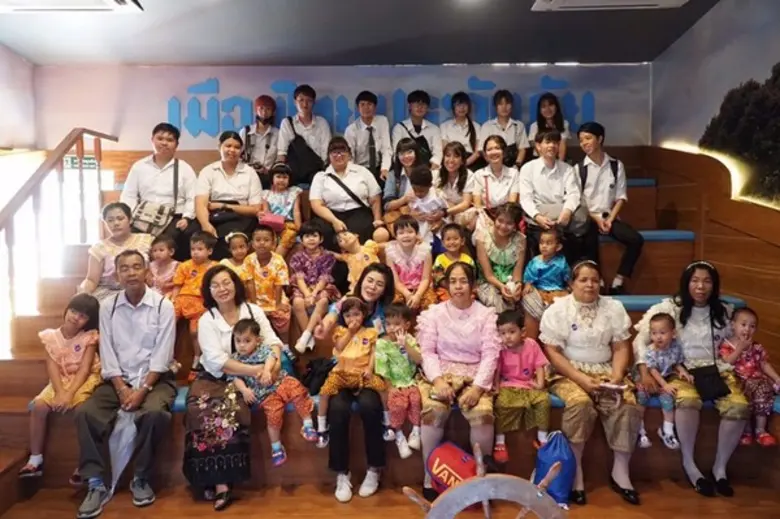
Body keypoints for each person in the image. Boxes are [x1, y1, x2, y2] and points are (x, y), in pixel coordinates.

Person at [633, 261, 749, 498]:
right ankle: (690, 464)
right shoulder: (670, 308)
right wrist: (644, 371)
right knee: (686, 401)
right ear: (686, 283)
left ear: (714, 285)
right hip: (681, 370)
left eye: (707, 281)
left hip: (717, 371)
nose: (700, 287)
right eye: (695, 280)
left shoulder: (724, 311)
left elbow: (738, 337)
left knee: (739, 406)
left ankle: (720, 468)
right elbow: (639, 341)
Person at [74, 250, 176, 518]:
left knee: (154, 413)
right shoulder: (107, 307)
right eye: (125, 268)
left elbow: (162, 355)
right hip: (117, 379)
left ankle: (141, 477)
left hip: (155, 379)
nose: (131, 273)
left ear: (147, 272)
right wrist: (121, 388)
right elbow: (107, 351)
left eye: (136, 267)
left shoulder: (163, 306)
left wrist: (142, 390)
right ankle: (95, 482)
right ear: (117, 275)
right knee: (86, 413)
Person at [540, 260, 641, 506]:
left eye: (595, 280)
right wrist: (581, 379)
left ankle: (621, 473)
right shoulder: (558, 309)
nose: (590, 285)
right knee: (579, 403)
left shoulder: (613, 307)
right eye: (583, 280)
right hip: (568, 371)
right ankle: (576, 475)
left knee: (626, 403)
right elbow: (552, 351)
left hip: (605, 369)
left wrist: (617, 376)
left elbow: (621, 346)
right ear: (571, 283)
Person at [184, 264, 283, 511]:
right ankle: (212, 480)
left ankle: (224, 482)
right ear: (208, 291)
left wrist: (270, 367)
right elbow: (216, 360)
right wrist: (254, 370)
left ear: (236, 284)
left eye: (226, 282)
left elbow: (273, 342)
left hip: (252, 377)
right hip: (216, 376)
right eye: (215, 285)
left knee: (234, 410)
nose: (222, 289)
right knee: (200, 410)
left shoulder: (253, 310)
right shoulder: (207, 319)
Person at [416, 261, 501, 502]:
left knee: (482, 414)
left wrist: (477, 388)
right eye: (453, 281)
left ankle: (481, 480)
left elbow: (490, 354)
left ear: (473, 286)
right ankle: (429, 476)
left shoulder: (485, 315)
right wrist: (438, 381)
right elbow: (427, 352)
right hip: (441, 373)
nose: (458, 286)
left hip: (475, 375)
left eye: (463, 281)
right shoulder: (434, 313)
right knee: (433, 410)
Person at [312, 263, 395, 502]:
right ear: (362, 280)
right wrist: (323, 326)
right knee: (338, 408)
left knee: (370, 405)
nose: (373, 287)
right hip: (343, 371)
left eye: (379, 284)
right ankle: (342, 473)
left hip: (369, 371)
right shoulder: (346, 303)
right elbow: (330, 319)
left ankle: (374, 469)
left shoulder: (383, 312)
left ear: (385, 289)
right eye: (370, 280)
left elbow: (384, 345)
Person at [18, 294, 101, 479]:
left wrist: (69, 394)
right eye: (73, 311)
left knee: (82, 409)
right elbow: (52, 368)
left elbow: (85, 369)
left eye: (82, 316)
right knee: (39, 406)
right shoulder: (51, 337)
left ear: (89, 320)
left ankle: (84, 462)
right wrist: (60, 392)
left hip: (84, 379)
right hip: (60, 380)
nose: (75, 317)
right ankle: (35, 459)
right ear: (67, 310)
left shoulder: (89, 337)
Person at [228, 318, 316, 467]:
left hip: (280, 382)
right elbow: (235, 377)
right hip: (265, 394)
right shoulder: (236, 359)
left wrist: (267, 370)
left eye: (247, 341)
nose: (242, 345)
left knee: (297, 390)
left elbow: (272, 357)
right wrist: (244, 390)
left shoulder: (263, 349)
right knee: (273, 416)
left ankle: (307, 424)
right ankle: (276, 447)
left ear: (258, 340)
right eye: (238, 341)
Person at [578, 121, 644, 295]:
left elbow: (621, 196)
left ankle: (618, 281)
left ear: (599, 139)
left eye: (588, 138)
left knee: (636, 239)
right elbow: (578, 201)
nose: (584, 143)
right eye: (581, 140)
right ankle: (597, 282)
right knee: (588, 237)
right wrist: (596, 218)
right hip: (589, 216)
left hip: (610, 216)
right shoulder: (579, 169)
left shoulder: (616, 165)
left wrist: (610, 219)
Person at [317, 297, 389, 449]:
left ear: (364, 314)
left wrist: (369, 368)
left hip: (362, 374)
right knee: (324, 393)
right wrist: (350, 332)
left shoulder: (370, 332)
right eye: (348, 315)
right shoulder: (341, 331)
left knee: (382, 388)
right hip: (341, 374)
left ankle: (387, 421)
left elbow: (374, 353)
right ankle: (322, 427)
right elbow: (340, 347)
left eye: (356, 314)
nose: (352, 318)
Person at [120, 122, 198, 261]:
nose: (164, 143)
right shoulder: (139, 167)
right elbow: (129, 195)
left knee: (181, 236)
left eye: (170, 140)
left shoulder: (184, 168)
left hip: (174, 217)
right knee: (133, 244)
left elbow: (192, 197)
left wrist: (187, 217)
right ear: (152, 140)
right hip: (143, 217)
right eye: (160, 138)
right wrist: (129, 217)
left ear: (176, 144)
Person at [309, 136, 388, 251]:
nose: (339, 155)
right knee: (323, 231)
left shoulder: (362, 172)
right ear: (329, 155)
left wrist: (378, 222)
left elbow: (375, 199)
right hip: (330, 214)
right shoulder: (320, 176)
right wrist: (334, 221)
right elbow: (316, 204)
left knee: (362, 229)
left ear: (349, 154)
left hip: (358, 213)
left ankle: (360, 261)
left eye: (342, 151)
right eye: (334, 152)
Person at [519, 130, 586, 265]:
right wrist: (537, 216)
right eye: (548, 142)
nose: (552, 146)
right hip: (539, 215)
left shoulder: (567, 169)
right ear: (538, 146)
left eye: (555, 142)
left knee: (582, 222)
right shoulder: (528, 168)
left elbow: (573, 194)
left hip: (563, 216)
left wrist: (567, 211)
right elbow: (525, 198)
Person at [492, 309, 550, 464]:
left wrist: (540, 383)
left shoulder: (532, 345)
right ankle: (500, 442)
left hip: (528, 383)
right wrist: (496, 386)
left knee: (543, 400)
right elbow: (497, 369)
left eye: (512, 332)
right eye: (502, 333)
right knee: (501, 404)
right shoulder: (500, 348)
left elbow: (539, 365)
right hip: (508, 384)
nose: (507, 337)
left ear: (523, 332)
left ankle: (543, 438)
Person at [195, 131, 263, 260]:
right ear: (219, 146)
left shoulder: (250, 173)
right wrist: (205, 225)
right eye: (228, 146)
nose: (232, 150)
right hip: (215, 216)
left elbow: (255, 209)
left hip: (242, 216)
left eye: (237, 147)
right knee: (198, 233)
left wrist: (223, 205)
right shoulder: (208, 171)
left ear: (241, 150)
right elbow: (200, 203)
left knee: (230, 236)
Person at [719, 307, 780, 446]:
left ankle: (761, 431)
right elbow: (727, 362)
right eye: (743, 324)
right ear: (733, 325)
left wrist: (777, 378)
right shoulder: (726, 345)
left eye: (752, 326)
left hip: (757, 381)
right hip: (738, 381)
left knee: (763, 393)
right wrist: (740, 348)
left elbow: (764, 364)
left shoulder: (756, 346)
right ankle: (746, 431)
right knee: (743, 400)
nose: (747, 329)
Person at [633, 313, 691, 450]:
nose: (658, 337)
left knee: (668, 399)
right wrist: (665, 385)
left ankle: (667, 431)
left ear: (673, 333)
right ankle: (639, 430)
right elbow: (652, 371)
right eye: (654, 333)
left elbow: (676, 363)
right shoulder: (650, 351)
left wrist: (683, 371)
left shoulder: (675, 347)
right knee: (641, 397)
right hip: (649, 380)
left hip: (664, 379)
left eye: (662, 333)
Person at [374, 304, 423, 459]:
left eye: (397, 324)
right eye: (388, 324)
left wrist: (405, 345)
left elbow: (418, 359)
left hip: (410, 380)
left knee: (416, 399)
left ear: (406, 325)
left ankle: (416, 431)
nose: (392, 328)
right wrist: (390, 387)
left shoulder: (410, 339)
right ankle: (399, 435)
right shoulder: (382, 343)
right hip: (394, 383)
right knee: (398, 405)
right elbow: (382, 368)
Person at [79, 202, 154, 302]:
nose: (116, 223)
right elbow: (91, 280)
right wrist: (82, 295)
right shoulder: (99, 248)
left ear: (130, 220)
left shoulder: (147, 240)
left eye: (120, 218)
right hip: (109, 294)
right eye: (110, 220)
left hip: (142, 291)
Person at [289, 221, 341, 353]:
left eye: (314, 235)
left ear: (321, 238)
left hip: (321, 287)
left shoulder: (328, 256)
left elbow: (324, 277)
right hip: (303, 287)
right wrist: (307, 294)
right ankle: (308, 338)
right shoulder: (297, 257)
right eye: (307, 236)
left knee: (323, 301)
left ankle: (305, 335)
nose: (311, 239)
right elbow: (299, 278)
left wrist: (314, 294)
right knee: (297, 302)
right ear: (301, 240)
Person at [172, 232, 218, 378]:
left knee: (195, 332)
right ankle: (167, 357)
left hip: (200, 302)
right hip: (181, 299)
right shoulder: (184, 265)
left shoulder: (215, 267)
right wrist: (173, 300)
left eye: (200, 249)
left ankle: (197, 359)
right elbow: (177, 286)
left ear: (209, 251)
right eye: (193, 249)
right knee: (168, 324)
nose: (195, 252)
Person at [276, 84, 331, 186]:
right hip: (294, 173)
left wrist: (324, 173)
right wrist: (279, 175)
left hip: (316, 173)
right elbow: (282, 152)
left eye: (309, 100)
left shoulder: (322, 123)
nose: (305, 104)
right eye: (301, 100)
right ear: (295, 102)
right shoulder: (287, 123)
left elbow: (326, 152)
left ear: (313, 102)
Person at [475, 203, 526, 313]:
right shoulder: (482, 237)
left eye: (509, 223)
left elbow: (517, 273)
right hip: (489, 283)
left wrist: (517, 285)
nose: (503, 226)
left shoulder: (521, 239)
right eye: (500, 221)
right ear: (495, 219)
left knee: (525, 303)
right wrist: (502, 287)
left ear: (515, 225)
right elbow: (488, 275)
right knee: (499, 307)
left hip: (510, 283)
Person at [245, 226, 291, 343]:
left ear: (273, 243)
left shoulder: (278, 260)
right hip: (255, 298)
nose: (262, 243)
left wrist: (278, 304)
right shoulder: (249, 260)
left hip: (275, 297)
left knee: (283, 314)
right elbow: (249, 283)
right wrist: (254, 305)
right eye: (258, 240)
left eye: (266, 240)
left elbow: (279, 284)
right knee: (250, 314)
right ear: (252, 243)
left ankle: (285, 344)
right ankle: (259, 345)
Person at [521, 227, 570, 339]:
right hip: (540, 290)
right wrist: (528, 284)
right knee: (529, 301)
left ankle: (556, 337)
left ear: (558, 247)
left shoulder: (561, 262)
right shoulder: (536, 262)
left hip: (558, 291)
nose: (544, 246)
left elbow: (567, 278)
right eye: (542, 242)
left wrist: (571, 288)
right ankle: (532, 337)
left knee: (564, 305)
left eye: (548, 243)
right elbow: (529, 276)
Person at [472, 135, 520, 244]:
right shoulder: (479, 174)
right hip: (486, 216)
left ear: (504, 151)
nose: (493, 152)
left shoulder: (514, 173)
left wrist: (501, 223)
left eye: (497, 148)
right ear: (485, 154)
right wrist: (488, 222)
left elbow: (512, 202)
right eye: (489, 149)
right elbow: (477, 204)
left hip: (507, 216)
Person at [385, 215, 437, 311]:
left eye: (410, 232)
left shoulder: (425, 251)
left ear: (417, 233)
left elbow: (425, 279)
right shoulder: (391, 253)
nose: (406, 236)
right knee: (394, 304)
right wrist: (407, 294)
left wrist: (417, 295)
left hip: (421, 288)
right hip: (400, 289)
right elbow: (396, 281)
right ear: (395, 236)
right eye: (401, 233)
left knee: (430, 304)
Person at [343, 90, 393, 186]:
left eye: (369, 104)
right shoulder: (351, 130)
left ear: (375, 107)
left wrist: (385, 169)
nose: (366, 108)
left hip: (379, 168)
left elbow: (386, 149)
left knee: (388, 185)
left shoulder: (382, 121)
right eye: (362, 104)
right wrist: (353, 176)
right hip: (360, 169)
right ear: (358, 108)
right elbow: (349, 157)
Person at [257, 162, 302, 257]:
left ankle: (276, 259)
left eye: (285, 177)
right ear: (272, 178)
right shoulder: (266, 194)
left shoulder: (294, 192)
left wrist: (299, 228)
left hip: (289, 224)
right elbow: (267, 212)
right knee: (267, 237)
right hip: (273, 224)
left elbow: (296, 211)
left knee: (289, 235)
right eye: (278, 177)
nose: (281, 180)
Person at [391, 90, 442, 169]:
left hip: (428, 169)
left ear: (427, 108)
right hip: (406, 169)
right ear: (409, 106)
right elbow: (396, 153)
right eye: (416, 104)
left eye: (423, 104)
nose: (420, 107)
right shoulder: (399, 128)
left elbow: (437, 153)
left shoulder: (434, 129)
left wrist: (430, 170)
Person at [479, 90, 529, 168]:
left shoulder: (519, 125)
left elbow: (522, 149)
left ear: (512, 105)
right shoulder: (487, 126)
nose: (504, 107)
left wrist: (516, 166)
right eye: (500, 104)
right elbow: (482, 150)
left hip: (513, 167)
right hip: (493, 167)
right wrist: (494, 165)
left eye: (507, 103)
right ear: (495, 106)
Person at [382, 137, 424, 231]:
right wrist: (404, 199)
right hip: (402, 219)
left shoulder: (424, 172)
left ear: (416, 153)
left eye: (409, 152)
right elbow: (387, 205)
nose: (406, 156)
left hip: (423, 214)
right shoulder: (393, 175)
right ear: (397, 156)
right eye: (402, 154)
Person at [240, 95, 279, 189]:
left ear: (273, 112)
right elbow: (238, 155)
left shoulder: (277, 133)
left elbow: (280, 157)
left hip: (268, 177)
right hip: (247, 176)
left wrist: (270, 171)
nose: (264, 112)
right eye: (261, 108)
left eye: (268, 109)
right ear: (256, 110)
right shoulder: (245, 131)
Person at [436, 142, 477, 231]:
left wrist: (445, 212)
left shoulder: (469, 175)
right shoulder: (437, 174)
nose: (451, 160)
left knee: (474, 213)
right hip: (441, 213)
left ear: (462, 161)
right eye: (448, 155)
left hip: (459, 213)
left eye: (456, 156)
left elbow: (465, 204)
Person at [406, 165, 448, 247]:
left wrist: (440, 220)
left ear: (430, 185)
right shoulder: (411, 196)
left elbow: (447, 212)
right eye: (415, 190)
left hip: (437, 231)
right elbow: (410, 210)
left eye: (421, 191)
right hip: (419, 231)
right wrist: (413, 214)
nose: (418, 194)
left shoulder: (438, 196)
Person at [432, 223, 474, 302]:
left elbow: (471, 278)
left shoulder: (468, 259)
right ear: (443, 243)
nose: (452, 242)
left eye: (455, 239)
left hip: (464, 288)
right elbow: (439, 278)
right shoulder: (439, 259)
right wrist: (453, 288)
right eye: (448, 239)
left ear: (462, 241)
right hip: (445, 289)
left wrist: (461, 288)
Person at [440, 92, 482, 169]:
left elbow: (477, 153)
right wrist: (455, 163)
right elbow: (444, 149)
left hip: (472, 163)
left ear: (469, 107)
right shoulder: (445, 126)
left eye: (465, 105)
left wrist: (463, 164)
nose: (462, 108)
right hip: (451, 162)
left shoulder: (476, 126)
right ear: (453, 107)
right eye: (458, 105)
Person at [335, 229, 381, 293]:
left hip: (376, 278)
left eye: (345, 234)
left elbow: (383, 246)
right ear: (342, 250)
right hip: (358, 287)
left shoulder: (369, 246)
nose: (345, 238)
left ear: (356, 235)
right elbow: (336, 255)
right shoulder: (348, 257)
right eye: (340, 240)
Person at [527, 92, 570, 160]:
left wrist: (559, 164)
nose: (547, 109)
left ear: (556, 107)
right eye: (543, 106)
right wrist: (546, 163)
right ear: (540, 110)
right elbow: (538, 148)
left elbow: (562, 146)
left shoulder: (564, 124)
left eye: (550, 105)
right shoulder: (534, 126)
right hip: (539, 159)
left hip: (558, 159)